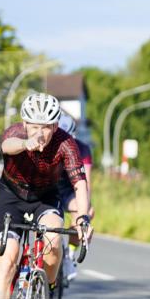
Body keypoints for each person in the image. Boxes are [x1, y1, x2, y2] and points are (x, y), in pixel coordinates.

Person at [0, 92, 93, 299]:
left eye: (46, 127)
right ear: (25, 123)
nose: (40, 133)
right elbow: (7, 146)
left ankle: (48, 286)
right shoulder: (16, 133)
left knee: (54, 241)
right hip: (11, 197)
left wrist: (82, 219)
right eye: (34, 126)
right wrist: (26, 143)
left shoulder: (66, 143)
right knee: (6, 263)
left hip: (45, 198)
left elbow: (79, 184)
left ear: (55, 126)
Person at [56, 113, 94, 282]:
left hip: (71, 189)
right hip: (51, 188)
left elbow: (86, 183)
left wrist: (85, 211)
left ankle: (70, 255)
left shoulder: (83, 149)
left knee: (83, 211)